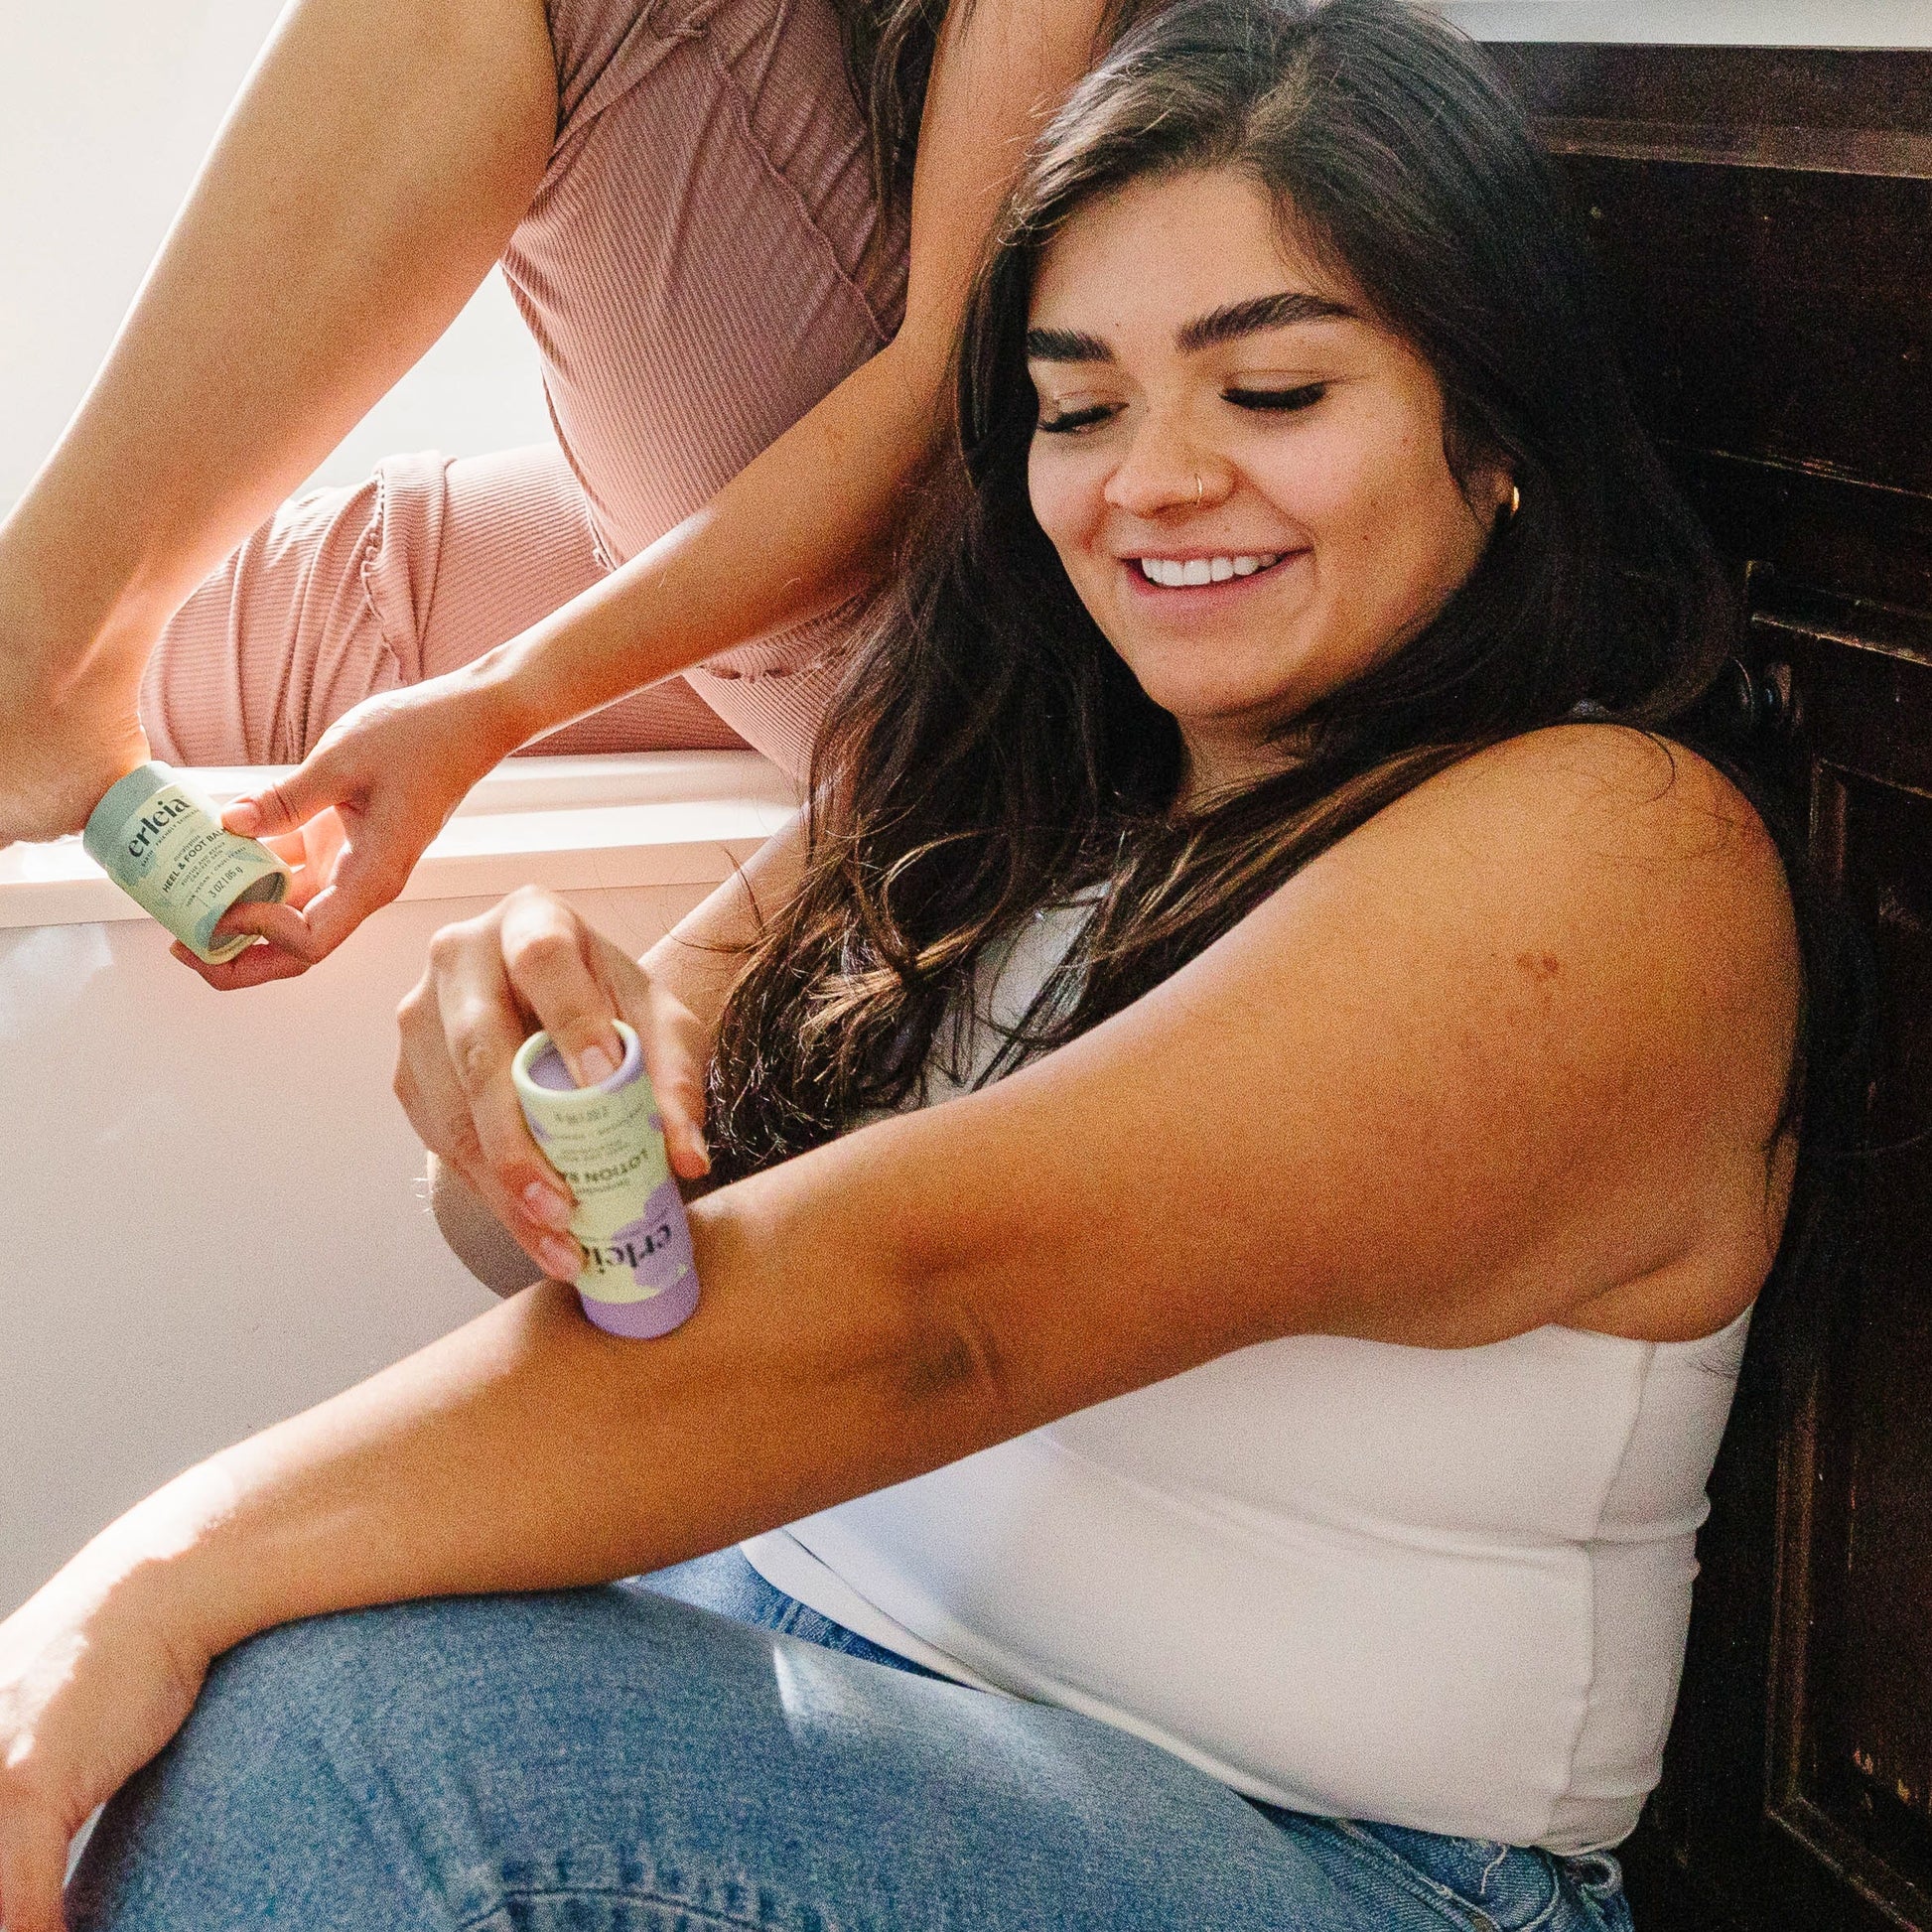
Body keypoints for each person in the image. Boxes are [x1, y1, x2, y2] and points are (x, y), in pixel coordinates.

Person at [0, 2, 1843, 1926]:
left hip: (1338, 1859)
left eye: (1271, 395)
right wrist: (542, 1111)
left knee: (333, 1738)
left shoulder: (1613, 856)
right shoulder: (1010, 771)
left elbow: (919, 1308)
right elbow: (595, 1259)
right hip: (855, 1681)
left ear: (1501, 442)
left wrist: (153, 1568)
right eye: (1079, 404)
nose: (1154, 479)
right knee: (253, 1693)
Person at [0, 0, 1123, 987]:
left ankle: (36, 658)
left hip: (1000, 590)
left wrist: (499, 701)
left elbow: (943, 378)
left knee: (72, 626)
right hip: (934, 563)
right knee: (231, 643)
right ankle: (47, 656)